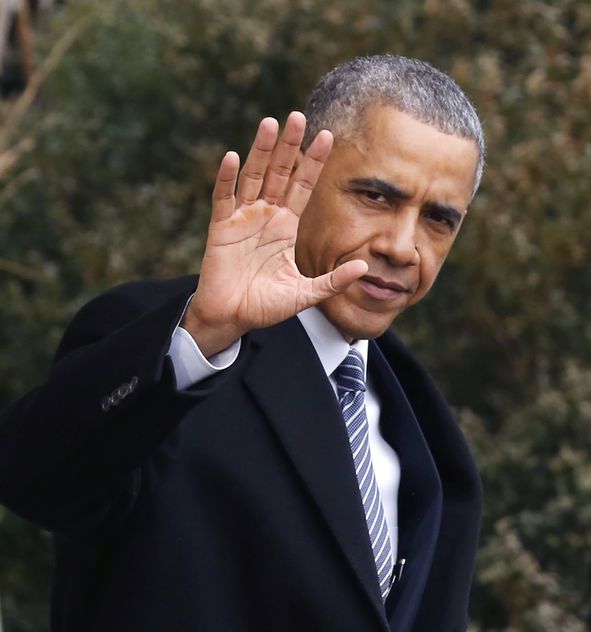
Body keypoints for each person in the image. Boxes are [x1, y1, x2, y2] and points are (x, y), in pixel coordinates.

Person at [0, 54, 484, 631]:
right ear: (303, 175)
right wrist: (202, 333)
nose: (403, 246)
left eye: (438, 219)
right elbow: (38, 483)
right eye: (376, 197)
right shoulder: (165, 341)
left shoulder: (425, 428)